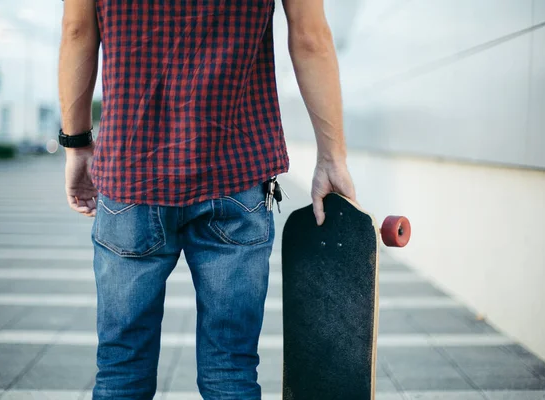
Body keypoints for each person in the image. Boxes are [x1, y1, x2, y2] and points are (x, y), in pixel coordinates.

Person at [58, 0, 356, 398]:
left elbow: (78, 32)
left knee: (121, 366)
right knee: (230, 367)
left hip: (130, 172)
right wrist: (332, 157)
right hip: (237, 173)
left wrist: (77, 144)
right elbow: (310, 38)